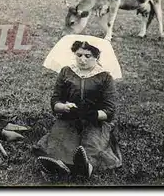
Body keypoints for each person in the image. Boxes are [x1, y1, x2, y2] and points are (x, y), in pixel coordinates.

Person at [33, 40, 122, 181]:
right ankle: (59, 165)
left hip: (96, 121)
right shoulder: (67, 72)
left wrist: (92, 114)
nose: (82, 59)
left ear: (97, 57)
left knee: (92, 145)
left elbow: (110, 110)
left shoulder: (104, 77)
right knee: (59, 142)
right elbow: (55, 100)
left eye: (88, 56)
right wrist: (63, 107)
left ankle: (86, 167)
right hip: (70, 117)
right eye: (79, 55)